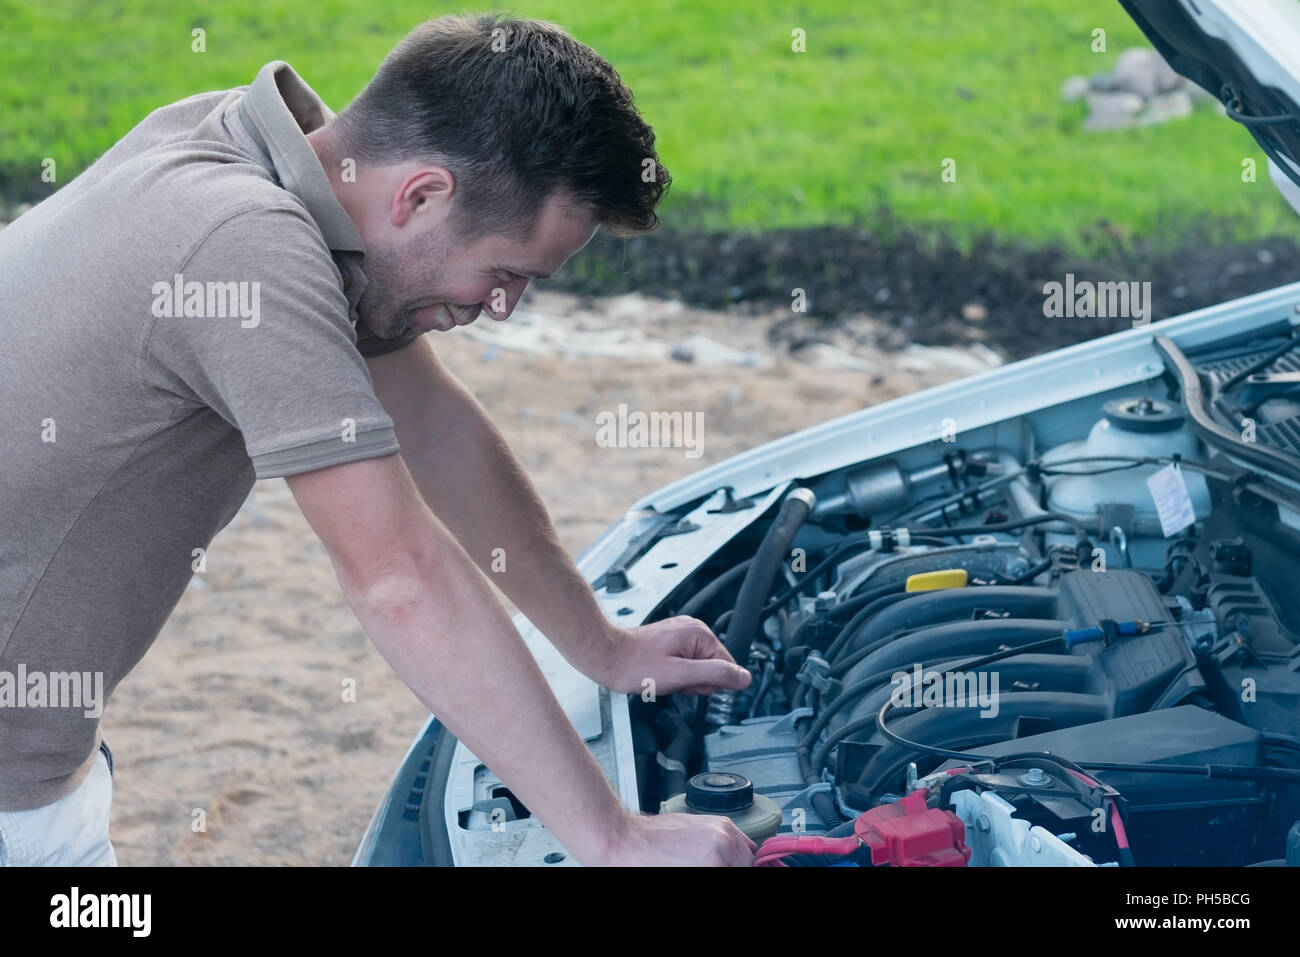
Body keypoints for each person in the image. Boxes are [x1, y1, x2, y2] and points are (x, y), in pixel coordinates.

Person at [0, 13, 755, 866]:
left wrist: (602, 645)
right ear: (422, 195)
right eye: (506, 275)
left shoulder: (259, 151)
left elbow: (433, 426)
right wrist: (613, 840)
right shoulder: (245, 246)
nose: (498, 308)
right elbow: (398, 576)